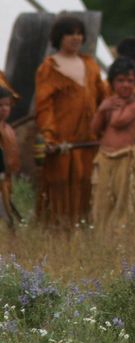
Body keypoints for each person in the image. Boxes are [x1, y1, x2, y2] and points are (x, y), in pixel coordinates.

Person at [35, 15, 106, 226]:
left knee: (85, 183)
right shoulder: (49, 68)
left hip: (88, 141)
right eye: (70, 33)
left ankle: (82, 230)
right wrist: (49, 136)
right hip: (61, 142)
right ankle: (56, 233)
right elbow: (44, 107)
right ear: (59, 37)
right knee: (59, 184)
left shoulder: (90, 64)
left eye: (79, 33)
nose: (75, 38)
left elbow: (104, 98)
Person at [90, 57, 135, 231]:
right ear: (112, 82)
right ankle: (101, 234)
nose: (125, 85)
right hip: (104, 156)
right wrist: (102, 109)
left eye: (130, 81)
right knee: (101, 199)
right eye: (120, 80)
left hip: (127, 157)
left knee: (123, 201)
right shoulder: (109, 103)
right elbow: (95, 130)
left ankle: (121, 237)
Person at [0, 87, 21, 227]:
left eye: (7, 105)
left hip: (6, 180)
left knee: (7, 219)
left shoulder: (8, 129)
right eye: (0, 105)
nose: (4, 109)